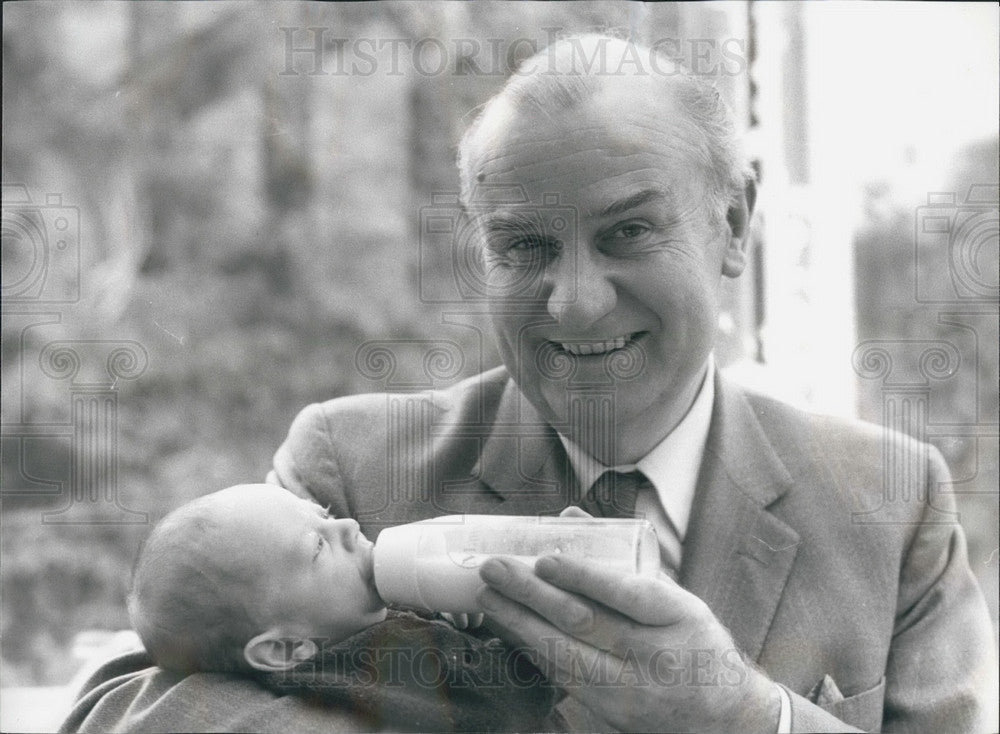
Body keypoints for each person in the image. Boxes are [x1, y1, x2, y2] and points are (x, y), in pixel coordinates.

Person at [62, 34, 997, 734]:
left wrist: (747, 717)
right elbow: (125, 707)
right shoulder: (352, 467)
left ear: (735, 224)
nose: (578, 302)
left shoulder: (891, 501)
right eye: (525, 247)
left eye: (628, 232)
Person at [66, 483, 557, 733]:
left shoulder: (340, 639)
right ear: (284, 648)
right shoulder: (369, 666)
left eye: (324, 515)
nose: (346, 526)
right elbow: (504, 701)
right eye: (318, 547)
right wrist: (517, 632)